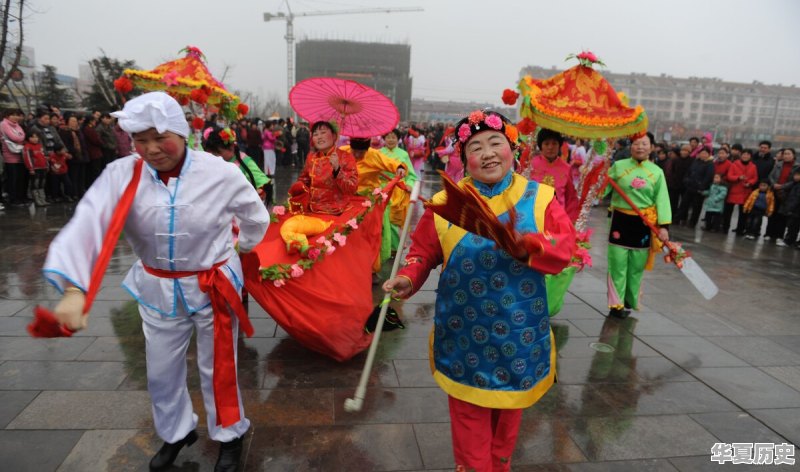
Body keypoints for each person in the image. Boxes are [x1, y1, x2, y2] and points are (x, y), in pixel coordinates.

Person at [41, 92, 270, 471]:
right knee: (161, 369)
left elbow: (255, 218)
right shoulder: (122, 174)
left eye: (158, 138)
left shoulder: (221, 173)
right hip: (156, 286)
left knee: (219, 367)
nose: (150, 149)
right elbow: (89, 222)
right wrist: (72, 286)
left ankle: (229, 435)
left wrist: (237, 249)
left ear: (181, 133)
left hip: (212, 285)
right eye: (140, 140)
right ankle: (177, 432)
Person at [382, 110, 576, 472]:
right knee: (470, 422)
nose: (487, 153)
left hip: (519, 337)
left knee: (507, 423)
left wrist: (528, 246)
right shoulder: (447, 205)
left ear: (512, 149)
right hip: (465, 337)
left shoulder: (541, 197)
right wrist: (407, 279)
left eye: (495, 143)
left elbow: (565, 249)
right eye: (475, 147)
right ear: (464, 157)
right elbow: (423, 252)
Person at [605, 131, 671, 318]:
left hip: (644, 223)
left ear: (651, 147)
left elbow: (663, 200)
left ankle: (629, 300)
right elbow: (603, 190)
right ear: (630, 147)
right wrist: (598, 178)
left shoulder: (657, 172)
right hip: (620, 220)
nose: (640, 147)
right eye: (636, 143)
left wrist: (664, 227)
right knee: (617, 264)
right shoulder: (618, 166)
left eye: (644, 143)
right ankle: (615, 304)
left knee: (636, 267)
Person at [289, 121, 358, 215]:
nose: (319, 137)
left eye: (323, 132)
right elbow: (304, 180)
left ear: (334, 136)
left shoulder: (346, 157)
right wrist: (298, 189)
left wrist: (337, 169)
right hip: (311, 209)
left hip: (337, 211)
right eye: (315, 134)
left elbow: (352, 189)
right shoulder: (311, 157)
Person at [520, 128, 580, 222]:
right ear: (541, 146)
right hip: (534, 219)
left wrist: (569, 222)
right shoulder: (531, 166)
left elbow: (571, 198)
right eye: (546, 143)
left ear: (559, 145)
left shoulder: (566, 168)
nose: (550, 147)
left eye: (554, 143)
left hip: (558, 219)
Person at [203, 125, 270, 202]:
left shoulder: (245, 162)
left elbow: (264, 185)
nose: (215, 157)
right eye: (212, 154)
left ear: (231, 147)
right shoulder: (212, 161)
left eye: (218, 153)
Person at [676, 145, 714, 227]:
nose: (703, 155)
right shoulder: (696, 161)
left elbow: (708, 177)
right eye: (702, 153)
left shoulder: (710, 164)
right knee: (684, 204)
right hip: (690, 187)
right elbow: (688, 172)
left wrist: (701, 186)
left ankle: (692, 222)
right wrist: (686, 180)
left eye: (705, 153)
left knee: (696, 207)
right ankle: (678, 219)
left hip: (699, 190)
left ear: (708, 154)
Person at [766, 148, 798, 241]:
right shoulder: (778, 165)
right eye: (785, 154)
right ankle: (768, 233)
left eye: (789, 154)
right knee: (772, 213)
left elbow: (794, 181)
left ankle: (779, 236)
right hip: (775, 191)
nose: (786, 156)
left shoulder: (797, 167)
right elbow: (770, 176)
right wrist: (774, 184)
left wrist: (782, 186)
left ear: (793, 155)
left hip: (787, 193)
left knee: (782, 216)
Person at [725, 149, 759, 235]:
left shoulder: (753, 166)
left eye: (748, 154)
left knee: (743, 212)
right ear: (741, 155)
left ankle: (740, 229)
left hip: (745, 191)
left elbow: (755, 178)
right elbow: (729, 176)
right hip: (734, 190)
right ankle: (725, 227)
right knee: (728, 211)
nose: (745, 156)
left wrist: (750, 183)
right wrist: (738, 178)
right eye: (744, 154)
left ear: (750, 156)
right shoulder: (734, 164)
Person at [1, 108, 28, 206]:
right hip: (9, 156)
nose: (16, 117)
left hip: (19, 155)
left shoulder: (17, 125)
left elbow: (22, 135)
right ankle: (12, 199)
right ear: (7, 115)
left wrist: (19, 138)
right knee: (12, 179)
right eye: (13, 115)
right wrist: (19, 138)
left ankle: (19, 198)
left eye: (17, 115)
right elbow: (15, 137)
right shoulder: (4, 124)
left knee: (20, 179)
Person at [23, 130, 49, 207]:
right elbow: (27, 158)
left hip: (43, 167)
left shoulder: (39, 146)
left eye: (36, 137)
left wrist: (47, 165)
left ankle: (43, 199)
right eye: (32, 137)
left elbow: (44, 156)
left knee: (42, 183)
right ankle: (37, 200)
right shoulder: (27, 147)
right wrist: (31, 168)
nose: (35, 139)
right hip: (35, 169)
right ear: (28, 138)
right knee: (35, 184)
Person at [776, 169, 800, 248]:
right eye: (795, 175)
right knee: (792, 226)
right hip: (794, 209)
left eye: (798, 175)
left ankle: (788, 241)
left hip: (796, 210)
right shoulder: (794, 184)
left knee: (793, 227)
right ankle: (790, 240)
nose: (796, 177)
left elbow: (796, 199)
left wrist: (790, 208)